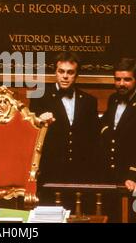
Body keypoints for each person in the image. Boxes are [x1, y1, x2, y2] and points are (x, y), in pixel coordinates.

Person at [30, 52, 100, 188]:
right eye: (61, 71)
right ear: (55, 72)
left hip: (81, 172)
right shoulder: (39, 97)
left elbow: (94, 138)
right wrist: (39, 121)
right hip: (50, 170)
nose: (65, 76)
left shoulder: (89, 101)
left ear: (76, 75)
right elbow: (30, 134)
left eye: (70, 72)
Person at [100, 58, 136, 192]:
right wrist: (106, 131)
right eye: (117, 79)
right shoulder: (113, 99)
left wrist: (134, 175)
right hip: (113, 174)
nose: (121, 84)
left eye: (127, 79)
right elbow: (105, 123)